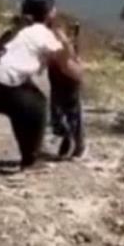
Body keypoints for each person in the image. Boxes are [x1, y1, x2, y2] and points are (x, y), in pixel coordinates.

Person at [0, 0, 83, 170]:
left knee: (22, 104)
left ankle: (30, 150)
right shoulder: (42, 33)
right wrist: (67, 44)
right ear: (50, 13)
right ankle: (31, 160)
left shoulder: (16, 28)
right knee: (36, 105)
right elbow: (68, 69)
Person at [49, 20, 86, 159]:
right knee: (57, 115)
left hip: (70, 80)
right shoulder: (50, 40)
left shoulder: (64, 43)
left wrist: (63, 40)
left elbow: (70, 55)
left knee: (74, 115)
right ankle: (68, 137)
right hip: (57, 81)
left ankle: (78, 146)